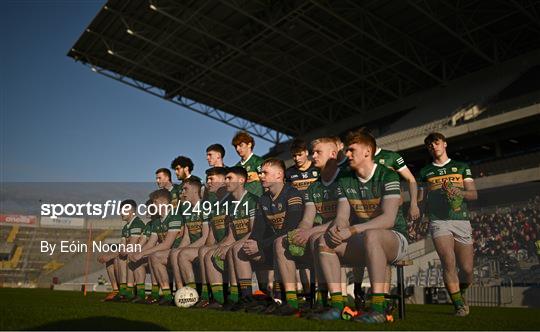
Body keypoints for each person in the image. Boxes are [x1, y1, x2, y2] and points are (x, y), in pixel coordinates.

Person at [314, 130, 408, 323]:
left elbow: (388, 219)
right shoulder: (345, 178)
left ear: (367, 151)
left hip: (394, 238)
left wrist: (352, 230)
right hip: (364, 238)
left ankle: (378, 308)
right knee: (325, 241)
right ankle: (338, 306)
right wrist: (337, 229)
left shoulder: (387, 175)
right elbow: (342, 216)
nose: (347, 155)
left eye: (351, 150)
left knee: (372, 235)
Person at [273, 137, 341, 315]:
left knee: (317, 241)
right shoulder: (313, 187)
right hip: (318, 228)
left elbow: (343, 220)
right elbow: (307, 218)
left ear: (333, 154)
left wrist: (309, 231)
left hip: (342, 233)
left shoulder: (344, 179)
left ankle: (328, 300)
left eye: (317, 152)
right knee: (281, 242)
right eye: (313, 152)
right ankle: (292, 301)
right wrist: (299, 231)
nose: (313, 156)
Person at [230, 158, 304, 311]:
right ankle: (247, 298)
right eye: (260, 172)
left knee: (280, 243)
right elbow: (258, 230)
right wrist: (252, 244)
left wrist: (260, 245)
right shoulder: (263, 199)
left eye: (265, 173)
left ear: (279, 175)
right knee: (240, 249)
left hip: (295, 246)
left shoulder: (292, 193)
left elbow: (291, 228)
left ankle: (290, 302)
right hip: (273, 245)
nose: (260, 176)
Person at [418, 132, 477, 317]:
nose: (433, 147)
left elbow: (473, 194)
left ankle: (461, 291)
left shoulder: (461, 167)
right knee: (448, 262)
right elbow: (421, 199)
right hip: (438, 221)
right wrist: (418, 215)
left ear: (444, 143)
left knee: (467, 270)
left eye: (436, 142)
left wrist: (456, 191)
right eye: (429, 145)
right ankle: (458, 305)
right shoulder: (425, 171)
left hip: (461, 220)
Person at [203, 166, 258, 309]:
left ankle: (240, 297)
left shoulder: (252, 200)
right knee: (209, 254)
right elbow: (231, 235)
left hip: (254, 243)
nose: (226, 181)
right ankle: (219, 299)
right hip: (239, 242)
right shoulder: (232, 205)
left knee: (233, 249)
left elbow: (254, 231)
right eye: (225, 178)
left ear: (241, 180)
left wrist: (229, 245)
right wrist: (221, 246)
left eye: (229, 178)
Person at [129, 189, 184, 305]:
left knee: (154, 256)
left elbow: (167, 244)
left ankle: (167, 295)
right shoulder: (157, 222)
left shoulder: (174, 217)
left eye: (155, 203)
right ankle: (144, 294)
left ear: (164, 203)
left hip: (176, 252)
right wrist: (137, 254)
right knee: (138, 260)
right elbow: (150, 243)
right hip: (165, 253)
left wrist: (142, 253)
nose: (153, 206)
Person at [175, 178, 210, 296]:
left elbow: (205, 237)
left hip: (205, 246)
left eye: (185, 189)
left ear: (195, 190)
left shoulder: (205, 207)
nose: (183, 193)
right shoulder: (187, 210)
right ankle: (181, 293)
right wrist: (179, 249)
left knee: (183, 254)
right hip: (193, 247)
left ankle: (193, 293)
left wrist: (186, 249)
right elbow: (186, 237)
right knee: (175, 253)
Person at [232, 131, 264, 197]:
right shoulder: (236, 167)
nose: (237, 149)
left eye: (241, 145)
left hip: (257, 202)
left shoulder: (258, 161)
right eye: (236, 146)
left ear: (249, 144)